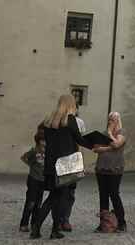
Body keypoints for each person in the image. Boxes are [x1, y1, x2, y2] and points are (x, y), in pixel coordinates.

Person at [31, 95, 91, 240]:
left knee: (55, 197)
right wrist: (95, 143)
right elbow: (80, 140)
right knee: (57, 198)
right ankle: (40, 228)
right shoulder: (70, 120)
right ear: (71, 105)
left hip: (51, 164)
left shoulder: (49, 121)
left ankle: (50, 229)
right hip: (65, 165)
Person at [93, 111, 127, 232]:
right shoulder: (103, 133)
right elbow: (96, 148)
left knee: (114, 195)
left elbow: (117, 144)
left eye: (113, 119)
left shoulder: (122, 132)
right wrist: (107, 147)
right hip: (102, 168)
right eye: (110, 119)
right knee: (103, 196)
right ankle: (104, 223)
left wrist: (109, 135)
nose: (111, 121)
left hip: (115, 169)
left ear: (118, 120)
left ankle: (122, 222)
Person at [58, 112, 86, 232]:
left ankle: (65, 219)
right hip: (63, 160)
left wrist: (80, 162)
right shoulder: (58, 120)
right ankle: (58, 220)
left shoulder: (79, 122)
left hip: (74, 159)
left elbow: (80, 143)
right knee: (60, 192)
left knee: (70, 193)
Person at [19, 126, 46, 232]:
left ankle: (34, 223)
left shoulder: (48, 151)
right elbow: (24, 157)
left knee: (38, 203)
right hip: (33, 179)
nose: (44, 143)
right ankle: (24, 223)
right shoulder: (34, 151)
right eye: (43, 141)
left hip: (42, 180)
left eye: (45, 141)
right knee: (31, 202)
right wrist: (31, 165)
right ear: (38, 141)